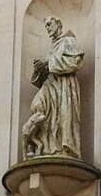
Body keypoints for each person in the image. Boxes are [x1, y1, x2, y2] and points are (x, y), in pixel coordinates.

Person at [22, 16, 84, 160]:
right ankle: (45, 147)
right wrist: (39, 68)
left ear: (58, 24)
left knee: (62, 116)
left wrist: (48, 62)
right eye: (46, 26)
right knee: (41, 110)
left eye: (50, 24)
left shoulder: (69, 41)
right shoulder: (53, 46)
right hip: (50, 86)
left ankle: (63, 149)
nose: (48, 28)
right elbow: (39, 79)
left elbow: (76, 62)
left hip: (64, 86)